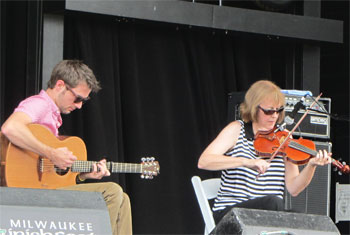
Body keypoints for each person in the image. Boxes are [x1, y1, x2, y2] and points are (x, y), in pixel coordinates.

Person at [1, 60, 132, 234]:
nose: (79, 105)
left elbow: (53, 174)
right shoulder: (39, 104)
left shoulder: (52, 115)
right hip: (31, 192)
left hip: (47, 189)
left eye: (84, 101)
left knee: (123, 199)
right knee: (112, 191)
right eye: (78, 98)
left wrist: (84, 175)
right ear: (60, 85)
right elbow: (10, 128)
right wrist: (51, 152)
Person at [197, 80, 332, 225]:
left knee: (305, 221)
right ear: (254, 109)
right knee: (273, 202)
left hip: (267, 216)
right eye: (268, 111)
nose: (274, 116)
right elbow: (204, 161)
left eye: (278, 110)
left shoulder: (284, 137)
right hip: (231, 215)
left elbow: (294, 188)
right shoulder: (236, 130)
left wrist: (311, 165)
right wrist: (246, 162)